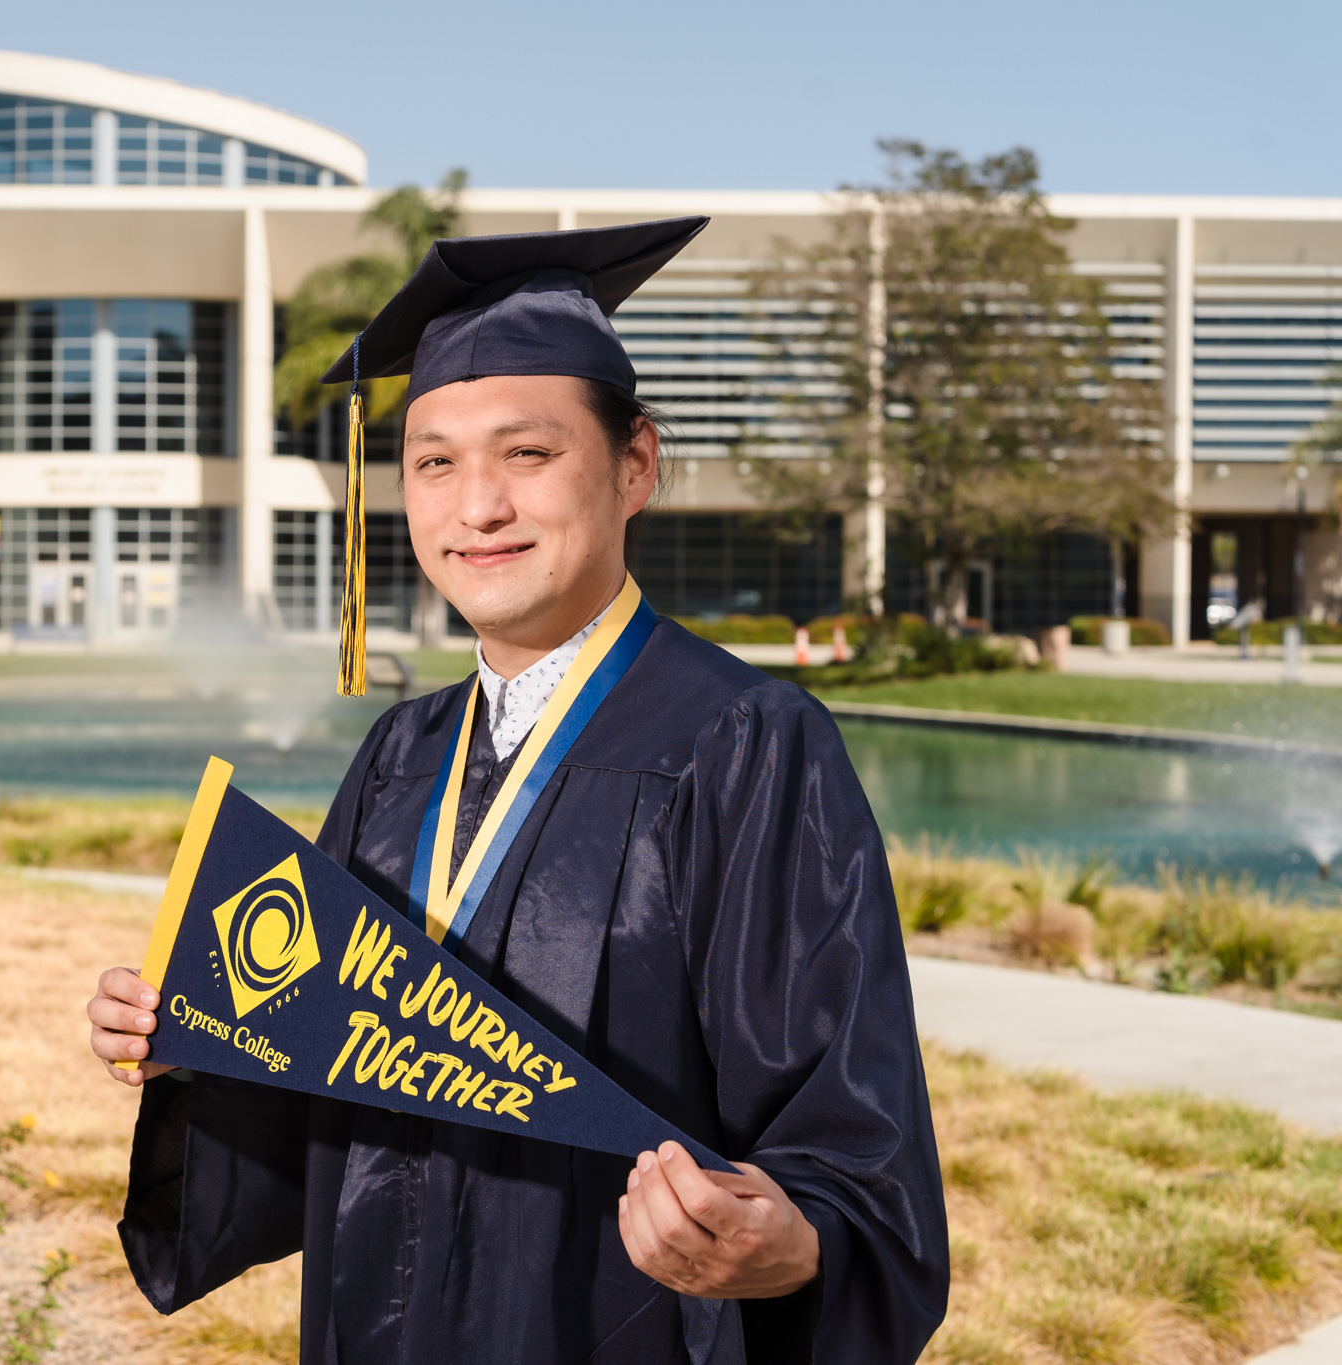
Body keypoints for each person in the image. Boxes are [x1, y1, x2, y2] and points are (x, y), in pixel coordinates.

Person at [86, 219, 949, 1364]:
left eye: (527, 456)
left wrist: (790, 1243)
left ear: (635, 465)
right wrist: (202, 1038)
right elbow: (333, 1088)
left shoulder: (741, 745)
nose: (475, 506)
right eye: (434, 462)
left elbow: (847, 1150)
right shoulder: (401, 755)